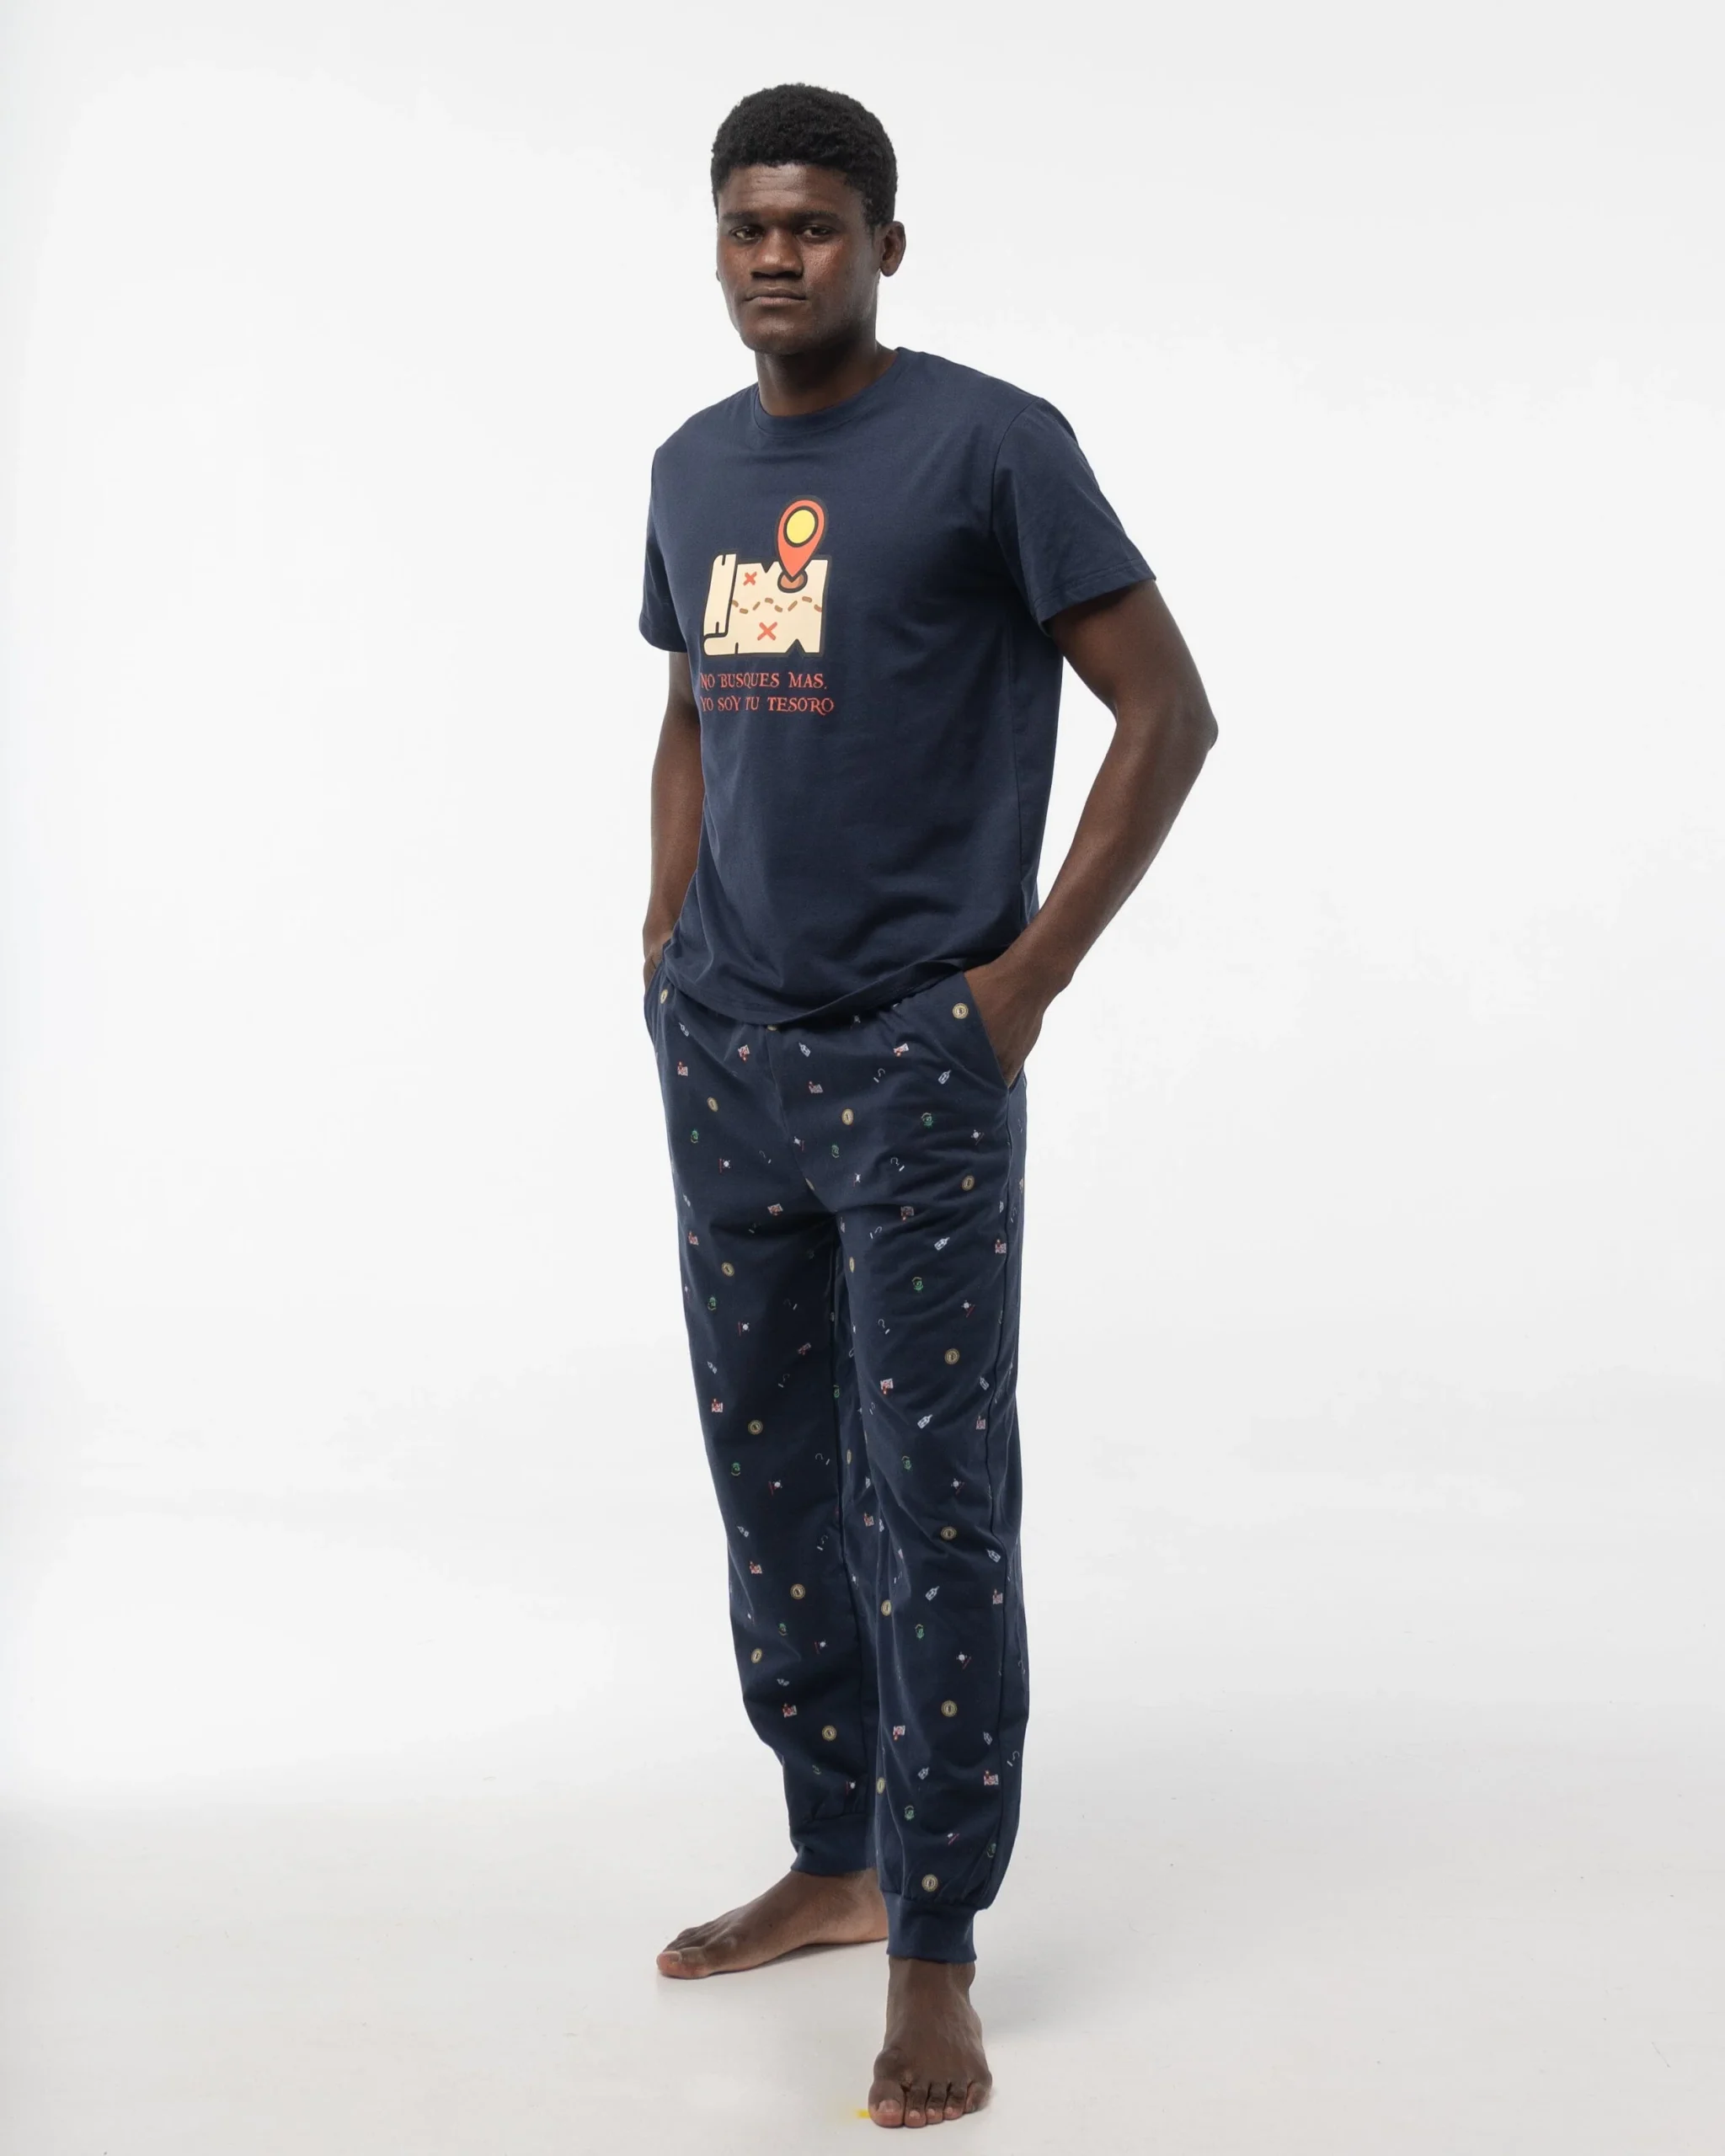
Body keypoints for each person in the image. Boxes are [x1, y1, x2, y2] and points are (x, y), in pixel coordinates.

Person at [637, 81, 1218, 2130]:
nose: (774, 256)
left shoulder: (989, 445)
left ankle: (936, 1944)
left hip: (916, 1054)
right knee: (772, 1474)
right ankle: (836, 1848)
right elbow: (690, 707)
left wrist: (1018, 985)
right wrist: (660, 933)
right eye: (745, 224)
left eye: (811, 224)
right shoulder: (691, 465)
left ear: (883, 243)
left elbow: (1167, 708)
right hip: (725, 1048)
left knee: (933, 1494)